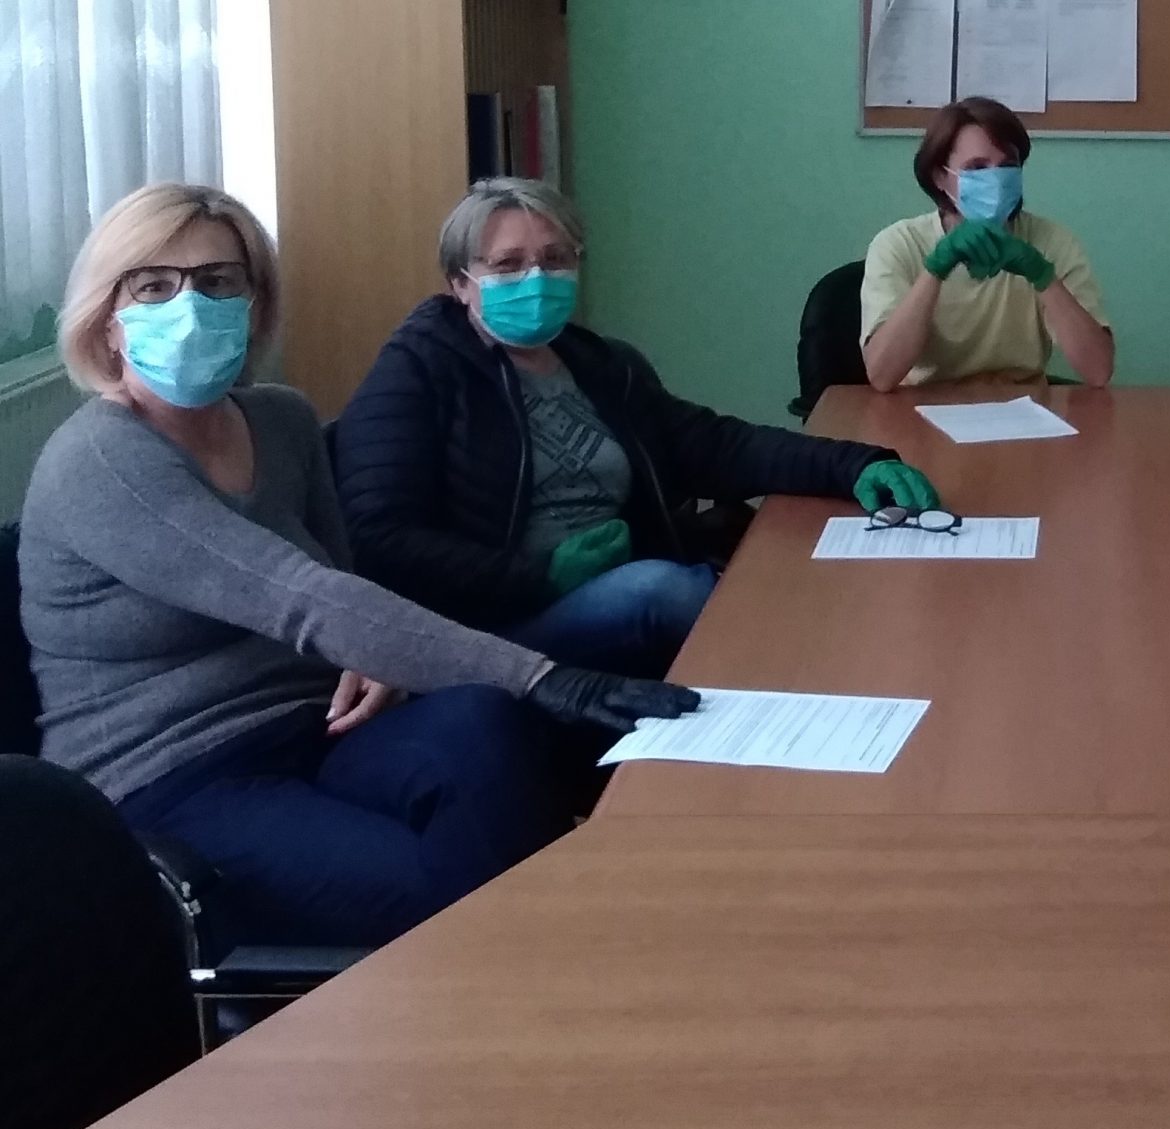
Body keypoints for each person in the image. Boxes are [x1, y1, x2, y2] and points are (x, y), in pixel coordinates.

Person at [20, 183, 700, 947]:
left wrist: (375, 655)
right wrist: (546, 677)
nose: (191, 306)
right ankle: (537, 960)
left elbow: (344, 580)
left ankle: (539, 956)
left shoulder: (281, 420)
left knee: (484, 724)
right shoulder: (101, 459)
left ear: (254, 300)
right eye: (153, 286)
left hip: (321, 728)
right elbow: (300, 596)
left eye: (217, 281)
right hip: (178, 777)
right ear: (107, 320)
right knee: (453, 883)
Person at [333, 178, 938, 678]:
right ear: (461, 283)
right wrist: (539, 577)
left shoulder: (595, 363)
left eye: (555, 259)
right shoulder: (416, 372)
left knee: (789, 578)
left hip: (617, 588)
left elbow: (714, 444)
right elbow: (380, 538)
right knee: (666, 592)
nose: (536, 279)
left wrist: (853, 463)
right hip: (491, 628)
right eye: (508, 265)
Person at [859, 97, 1113, 389]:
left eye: (1007, 166)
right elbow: (882, 375)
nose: (996, 180)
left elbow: (1098, 371)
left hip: (1023, 406)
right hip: (922, 406)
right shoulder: (898, 244)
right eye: (977, 167)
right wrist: (934, 269)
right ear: (940, 176)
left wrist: (1043, 275)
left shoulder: (1052, 241)